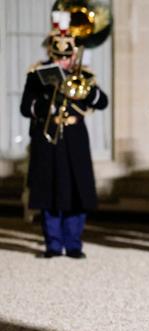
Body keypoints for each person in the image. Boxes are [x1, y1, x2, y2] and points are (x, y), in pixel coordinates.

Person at [20, 12, 108, 259]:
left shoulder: (84, 75)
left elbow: (103, 102)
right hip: (48, 137)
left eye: (67, 57)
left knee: (76, 188)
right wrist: (47, 101)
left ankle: (73, 243)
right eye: (58, 57)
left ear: (74, 55)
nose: (63, 62)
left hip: (74, 137)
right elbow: (25, 108)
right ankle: (53, 243)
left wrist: (85, 91)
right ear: (51, 54)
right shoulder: (37, 76)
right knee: (49, 188)